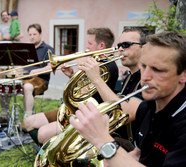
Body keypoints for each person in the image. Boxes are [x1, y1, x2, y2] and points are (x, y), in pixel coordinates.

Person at [70, 31, 186, 167]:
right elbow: (137, 154)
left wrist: (102, 140)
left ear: (183, 75)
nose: (145, 77)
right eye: (143, 66)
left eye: (157, 69)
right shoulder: (148, 107)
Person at [23, 27, 119, 145]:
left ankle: (52, 155)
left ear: (101, 46)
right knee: (29, 122)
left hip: (84, 116)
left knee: (42, 133)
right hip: (71, 110)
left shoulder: (108, 66)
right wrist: (72, 75)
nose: (87, 47)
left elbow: (84, 94)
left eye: (90, 43)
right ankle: (48, 149)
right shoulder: (95, 61)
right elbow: (83, 88)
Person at [76, 27, 147, 151]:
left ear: (144, 48)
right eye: (119, 45)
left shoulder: (147, 78)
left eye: (126, 45)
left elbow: (126, 115)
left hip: (129, 147)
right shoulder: (129, 77)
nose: (120, 49)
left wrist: (96, 79)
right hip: (115, 137)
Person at [22, 23, 54, 118]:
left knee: (27, 87)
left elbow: (51, 67)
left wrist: (37, 71)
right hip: (26, 77)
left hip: (41, 80)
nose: (32, 37)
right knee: (2, 84)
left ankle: (28, 117)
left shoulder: (48, 48)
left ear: (40, 34)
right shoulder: (27, 48)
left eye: (34, 34)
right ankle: (4, 114)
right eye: (30, 34)